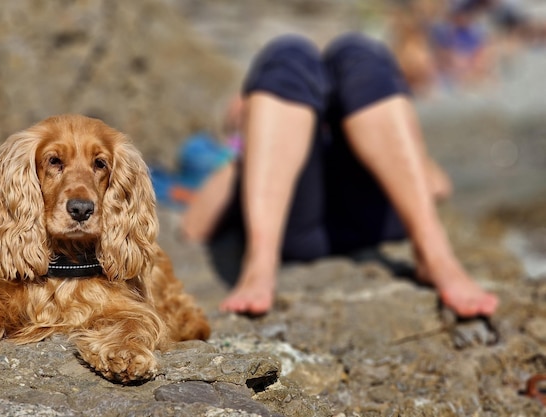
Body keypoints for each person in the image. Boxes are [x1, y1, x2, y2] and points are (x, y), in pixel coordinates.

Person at [181, 32, 499, 318]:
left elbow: (439, 185)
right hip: (307, 225)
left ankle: (435, 254)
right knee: (288, 54)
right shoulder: (241, 157)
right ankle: (260, 264)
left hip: (368, 211)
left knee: (357, 54)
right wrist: (245, 156)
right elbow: (194, 228)